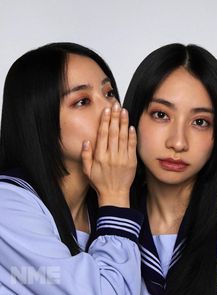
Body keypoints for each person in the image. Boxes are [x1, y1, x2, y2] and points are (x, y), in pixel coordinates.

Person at [0, 42, 144, 294]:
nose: (110, 109)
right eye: (82, 101)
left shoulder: (102, 207)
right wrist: (115, 197)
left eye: (109, 93)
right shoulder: (7, 204)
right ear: (39, 118)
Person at [123, 43, 217, 295]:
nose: (178, 142)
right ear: (133, 118)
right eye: (161, 115)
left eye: (199, 122)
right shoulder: (104, 218)